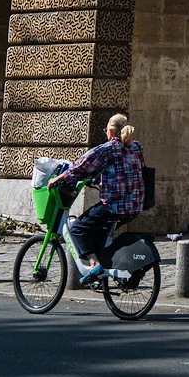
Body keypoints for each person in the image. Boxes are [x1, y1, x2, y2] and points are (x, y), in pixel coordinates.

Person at [55, 114, 144, 283]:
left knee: (78, 228)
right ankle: (102, 273)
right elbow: (126, 170)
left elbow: (80, 167)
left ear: (110, 132)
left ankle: (94, 264)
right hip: (134, 206)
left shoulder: (106, 149)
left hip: (114, 206)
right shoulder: (137, 147)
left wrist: (58, 179)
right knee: (100, 232)